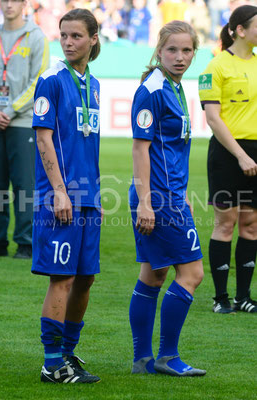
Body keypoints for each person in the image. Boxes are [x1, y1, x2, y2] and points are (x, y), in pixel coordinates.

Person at [128, 20, 206, 376]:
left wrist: (184, 193)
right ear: (159, 50)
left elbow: (170, 151)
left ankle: (143, 359)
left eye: (187, 50)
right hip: (159, 199)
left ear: (194, 52)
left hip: (171, 196)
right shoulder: (154, 89)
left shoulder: (175, 87)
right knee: (192, 273)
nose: (180, 57)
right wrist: (146, 201)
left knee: (154, 274)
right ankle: (168, 357)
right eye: (172, 50)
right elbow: (140, 149)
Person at [32, 8, 102, 383]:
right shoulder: (51, 79)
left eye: (77, 36)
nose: (69, 42)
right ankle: (51, 362)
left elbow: (86, 145)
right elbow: (44, 138)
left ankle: (68, 355)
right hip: (59, 197)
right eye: (64, 35)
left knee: (85, 278)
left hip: (88, 197)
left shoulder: (93, 83)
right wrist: (60, 192)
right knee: (60, 278)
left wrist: (94, 195)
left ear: (93, 38)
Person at [198, 4, 257, 314]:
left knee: (251, 224)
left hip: (255, 152)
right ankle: (221, 298)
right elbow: (213, 119)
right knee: (226, 224)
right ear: (240, 30)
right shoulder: (216, 66)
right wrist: (241, 155)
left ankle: (243, 297)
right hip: (227, 153)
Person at [0, 0, 49, 259]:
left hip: (23, 122)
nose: (8, 5)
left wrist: (11, 111)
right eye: (4, 0)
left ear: (24, 4)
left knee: (25, 187)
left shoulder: (36, 37)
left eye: (14, 0)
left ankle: (25, 242)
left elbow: (39, 80)